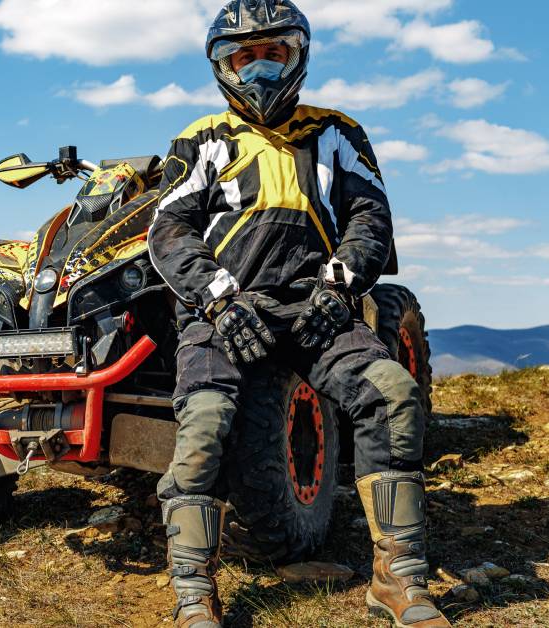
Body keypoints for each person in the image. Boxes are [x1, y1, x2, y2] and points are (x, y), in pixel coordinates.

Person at [147, 2, 451, 627]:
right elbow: (169, 226)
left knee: (393, 394)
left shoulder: (338, 131)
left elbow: (371, 217)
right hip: (227, 313)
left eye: (274, 52)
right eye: (243, 55)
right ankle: (193, 596)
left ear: (299, 54)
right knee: (203, 423)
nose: (259, 67)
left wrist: (339, 289)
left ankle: (399, 579)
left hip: (319, 308)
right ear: (222, 66)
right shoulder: (201, 138)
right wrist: (217, 296)